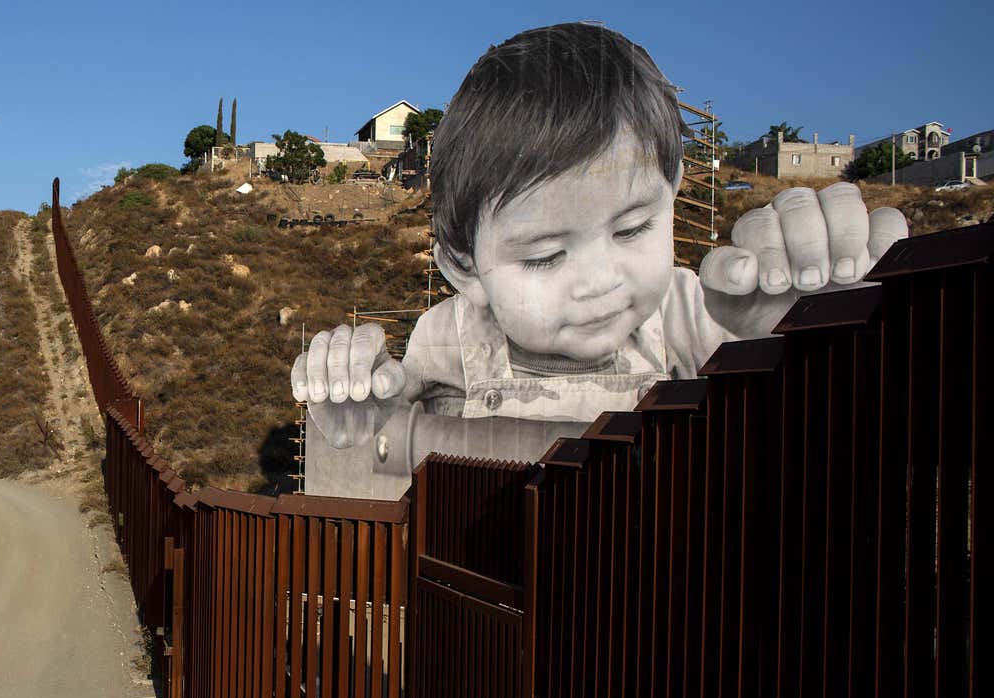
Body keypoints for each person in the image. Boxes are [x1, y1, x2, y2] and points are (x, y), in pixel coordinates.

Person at [292, 24, 906, 455]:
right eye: (545, 256)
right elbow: (392, 445)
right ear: (464, 267)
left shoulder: (691, 313)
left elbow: (803, 423)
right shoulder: (448, 337)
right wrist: (356, 407)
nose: (600, 279)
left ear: (674, 188)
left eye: (634, 227)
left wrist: (801, 324)